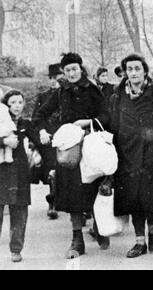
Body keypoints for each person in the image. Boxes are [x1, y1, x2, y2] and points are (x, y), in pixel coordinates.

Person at [33, 52, 110, 259]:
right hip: (69, 149)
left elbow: (106, 115)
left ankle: (99, 228)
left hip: (91, 146)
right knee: (72, 193)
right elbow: (40, 113)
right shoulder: (61, 92)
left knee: (93, 189)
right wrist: (42, 130)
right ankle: (77, 239)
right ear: (64, 73)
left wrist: (87, 123)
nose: (72, 73)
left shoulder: (93, 89)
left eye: (74, 69)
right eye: (67, 70)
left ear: (81, 69)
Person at [108, 54, 153, 258]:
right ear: (125, 72)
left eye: (137, 68)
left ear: (145, 70)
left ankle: (152, 227)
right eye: (129, 69)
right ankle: (139, 241)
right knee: (132, 198)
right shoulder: (118, 95)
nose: (133, 73)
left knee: (148, 195)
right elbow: (114, 125)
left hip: (150, 152)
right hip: (126, 153)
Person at [0, 90, 39, 263]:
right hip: (1, 170)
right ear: (6, 105)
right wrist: (3, 141)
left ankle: (16, 249)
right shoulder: (0, 121)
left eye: (20, 102)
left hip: (21, 171)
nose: (17, 106)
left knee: (20, 211)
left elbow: (38, 139)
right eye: (13, 102)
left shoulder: (26, 123)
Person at [31, 64, 65, 220]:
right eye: (51, 78)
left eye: (57, 78)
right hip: (49, 139)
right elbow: (36, 118)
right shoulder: (43, 97)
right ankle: (52, 202)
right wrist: (42, 133)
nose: (54, 81)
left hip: (66, 137)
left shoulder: (68, 94)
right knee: (52, 170)